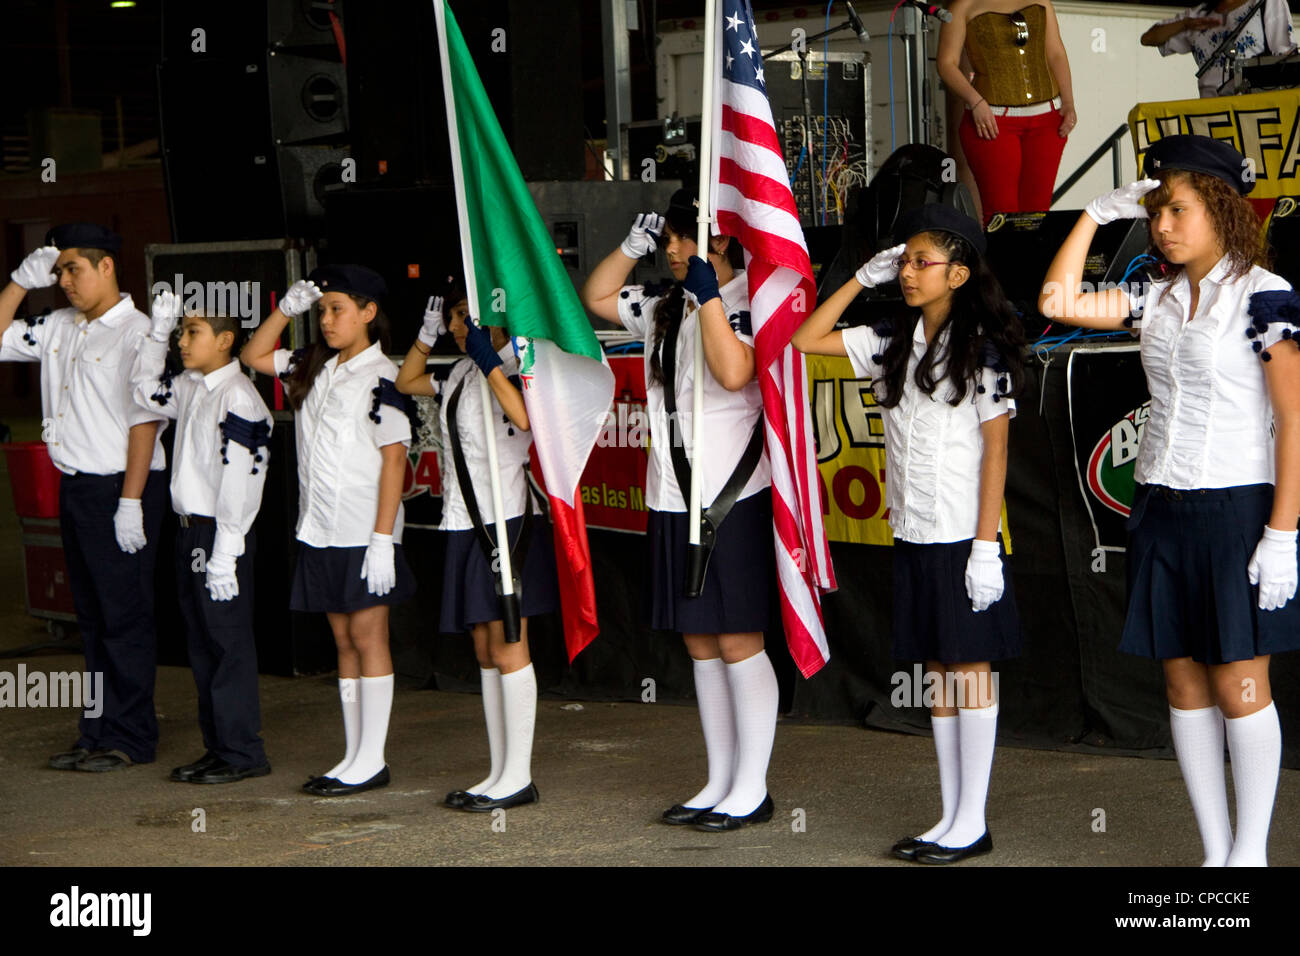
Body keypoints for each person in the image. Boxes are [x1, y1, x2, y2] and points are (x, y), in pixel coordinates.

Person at [1038, 134, 1300, 866]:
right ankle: (1216, 852)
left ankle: (1251, 856)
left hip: (1236, 505)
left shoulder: (1265, 295)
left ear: (1221, 208)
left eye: (1177, 210)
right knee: (1181, 677)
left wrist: (1283, 533)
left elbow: (1298, 418)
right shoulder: (1155, 294)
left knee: (1240, 679)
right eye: (1155, 212)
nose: (1162, 225)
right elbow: (1055, 299)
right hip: (1159, 501)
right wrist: (1092, 214)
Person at [791, 204, 1025, 864]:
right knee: (938, 675)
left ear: (959, 272)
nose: (910, 273)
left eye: (922, 262)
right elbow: (807, 339)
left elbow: (997, 452)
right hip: (915, 533)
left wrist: (985, 548)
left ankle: (971, 820)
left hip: (962, 536)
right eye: (905, 262)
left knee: (969, 673)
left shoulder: (984, 347)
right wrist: (860, 281)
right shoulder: (893, 337)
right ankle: (950, 815)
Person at [580, 190, 779, 832]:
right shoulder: (666, 305)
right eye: (664, 238)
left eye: (682, 237)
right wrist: (629, 248)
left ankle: (752, 785)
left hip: (730, 497)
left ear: (723, 240)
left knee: (737, 635)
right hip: (670, 495)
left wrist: (713, 296)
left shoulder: (750, 300)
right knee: (698, 640)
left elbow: (733, 372)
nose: (671, 249)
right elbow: (599, 297)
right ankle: (719, 777)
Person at [240, 265, 418, 797]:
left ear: (368, 313)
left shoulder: (384, 375)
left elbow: (394, 461)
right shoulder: (312, 364)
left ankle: (373, 758)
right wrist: (284, 311)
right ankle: (351, 753)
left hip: (365, 528)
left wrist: (383, 538)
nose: (327, 319)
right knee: (341, 639)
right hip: (320, 526)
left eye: (337, 308)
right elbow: (252, 355)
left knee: (368, 636)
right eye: (322, 310)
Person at [0, 224, 168, 772]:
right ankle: (96, 732)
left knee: (125, 617)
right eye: (58, 272)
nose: (64, 282)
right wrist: (18, 284)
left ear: (107, 267)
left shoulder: (139, 333)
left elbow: (145, 421)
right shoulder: (57, 325)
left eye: (73, 269)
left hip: (122, 486)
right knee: (91, 620)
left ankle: (131, 737)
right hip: (77, 486)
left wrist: (131, 502)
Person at [395, 283, 558, 812]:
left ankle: (519, 775)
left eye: (469, 315)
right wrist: (425, 337)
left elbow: (527, 417)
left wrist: (491, 358)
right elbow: (407, 380)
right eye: (453, 317)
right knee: (485, 647)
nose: (460, 326)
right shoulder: (461, 371)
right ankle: (497, 769)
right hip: (463, 520)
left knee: (510, 641)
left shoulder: (518, 363)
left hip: (506, 520)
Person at [130, 291, 273, 784]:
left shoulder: (239, 397)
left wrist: (226, 552)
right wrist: (156, 333)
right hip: (189, 532)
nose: (182, 340)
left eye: (192, 331)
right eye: (181, 331)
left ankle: (242, 753)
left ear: (226, 340)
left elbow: (242, 480)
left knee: (226, 641)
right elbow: (142, 391)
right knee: (201, 642)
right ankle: (219, 746)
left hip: (218, 534)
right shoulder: (192, 385)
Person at [937, 0, 1077, 223]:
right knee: (1001, 213)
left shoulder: (1042, 1)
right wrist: (976, 101)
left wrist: (1068, 102)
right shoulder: (962, 6)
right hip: (991, 121)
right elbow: (946, 63)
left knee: (1038, 213)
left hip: (1047, 119)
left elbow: (1056, 53)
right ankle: (1002, 258)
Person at [1141, 0, 1296, 99]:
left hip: (1253, 107)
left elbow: (1285, 58)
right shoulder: (1198, 14)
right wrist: (1185, 24)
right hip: (1211, 111)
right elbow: (1148, 38)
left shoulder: (1266, 2)